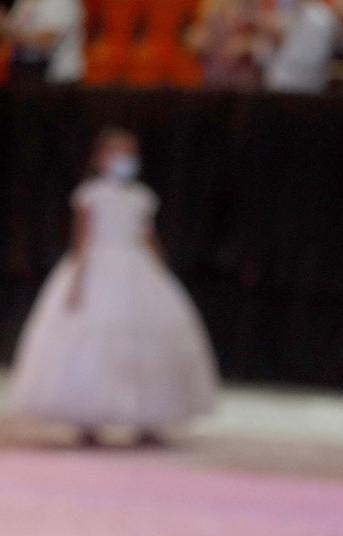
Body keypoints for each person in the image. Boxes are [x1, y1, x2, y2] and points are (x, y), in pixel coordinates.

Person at [6, 129, 220, 448]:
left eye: (130, 154)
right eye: (117, 154)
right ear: (101, 158)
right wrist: (77, 283)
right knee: (91, 343)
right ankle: (88, 422)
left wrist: (160, 276)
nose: (125, 161)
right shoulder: (90, 194)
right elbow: (81, 241)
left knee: (148, 344)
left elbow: (148, 238)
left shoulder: (142, 197)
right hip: (99, 268)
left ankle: (148, 421)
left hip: (137, 269)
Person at [3, 0, 84, 84]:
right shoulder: (25, 2)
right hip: (24, 70)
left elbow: (45, 41)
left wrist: (9, 32)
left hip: (59, 77)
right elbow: (9, 33)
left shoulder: (63, 2)